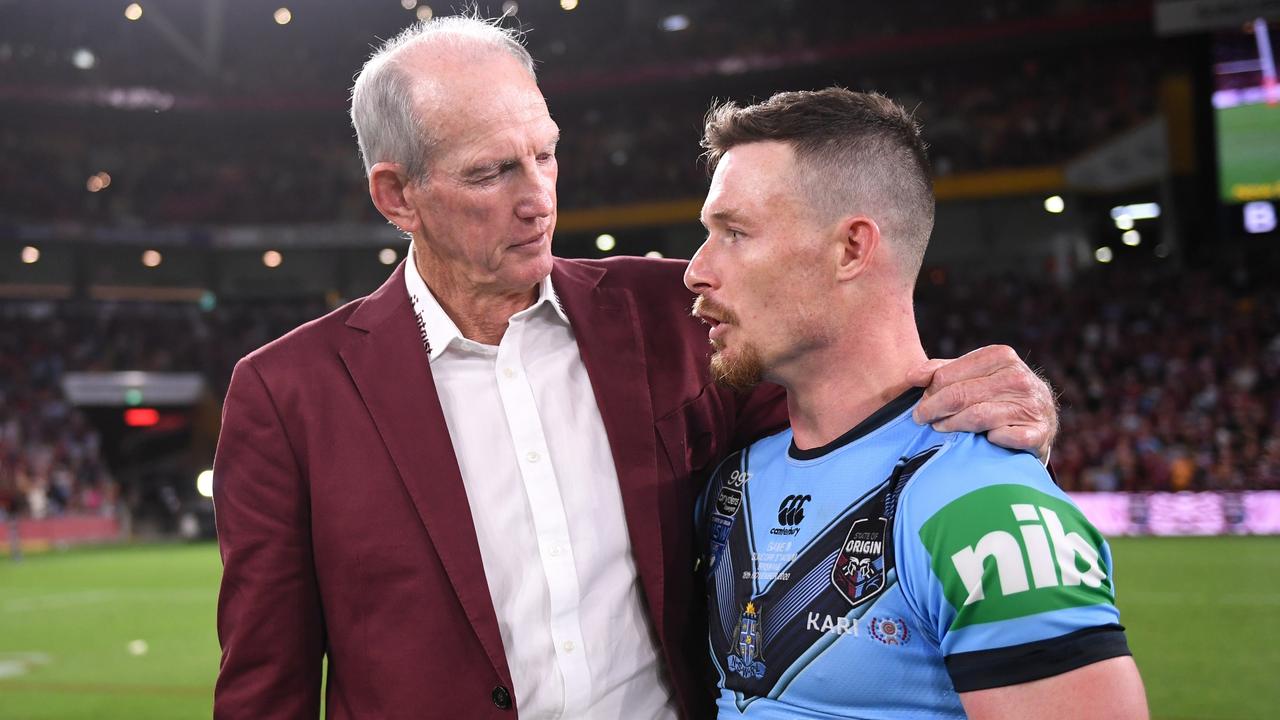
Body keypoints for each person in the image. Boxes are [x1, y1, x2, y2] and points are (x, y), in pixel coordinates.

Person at [212, 16, 1059, 720]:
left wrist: (979, 393)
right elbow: (267, 683)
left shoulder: (675, 313)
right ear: (397, 196)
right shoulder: (289, 394)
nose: (538, 196)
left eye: (544, 153)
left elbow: (844, 410)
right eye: (491, 172)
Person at [687, 88, 1148, 719]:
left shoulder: (986, 510)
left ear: (851, 248)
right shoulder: (733, 481)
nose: (694, 270)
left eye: (735, 233)